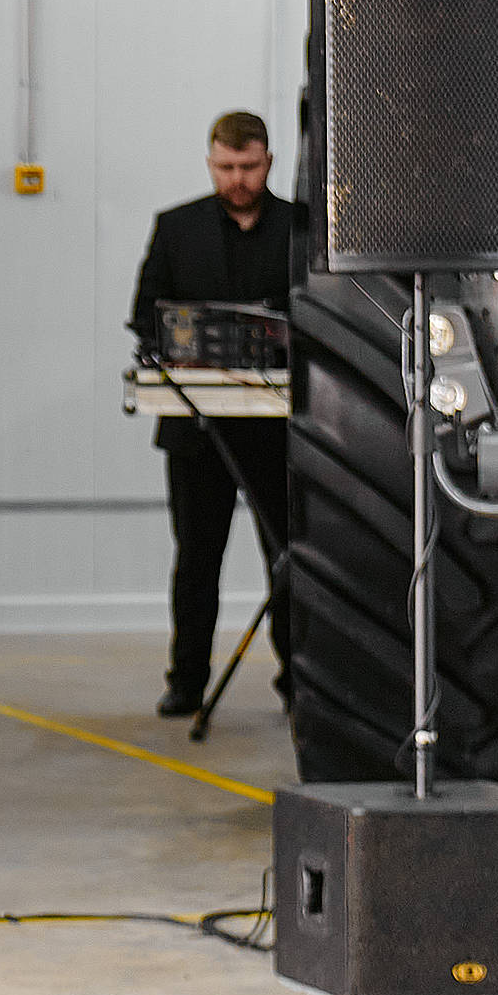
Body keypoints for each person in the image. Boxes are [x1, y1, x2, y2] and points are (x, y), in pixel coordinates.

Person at [131, 109, 294, 720]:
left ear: (268, 161)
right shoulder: (177, 228)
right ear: (210, 163)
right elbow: (145, 314)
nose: (238, 179)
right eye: (226, 167)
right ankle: (186, 681)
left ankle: (300, 683)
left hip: (279, 431)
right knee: (197, 560)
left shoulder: (302, 228)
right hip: (197, 431)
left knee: (289, 559)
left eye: (248, 166)